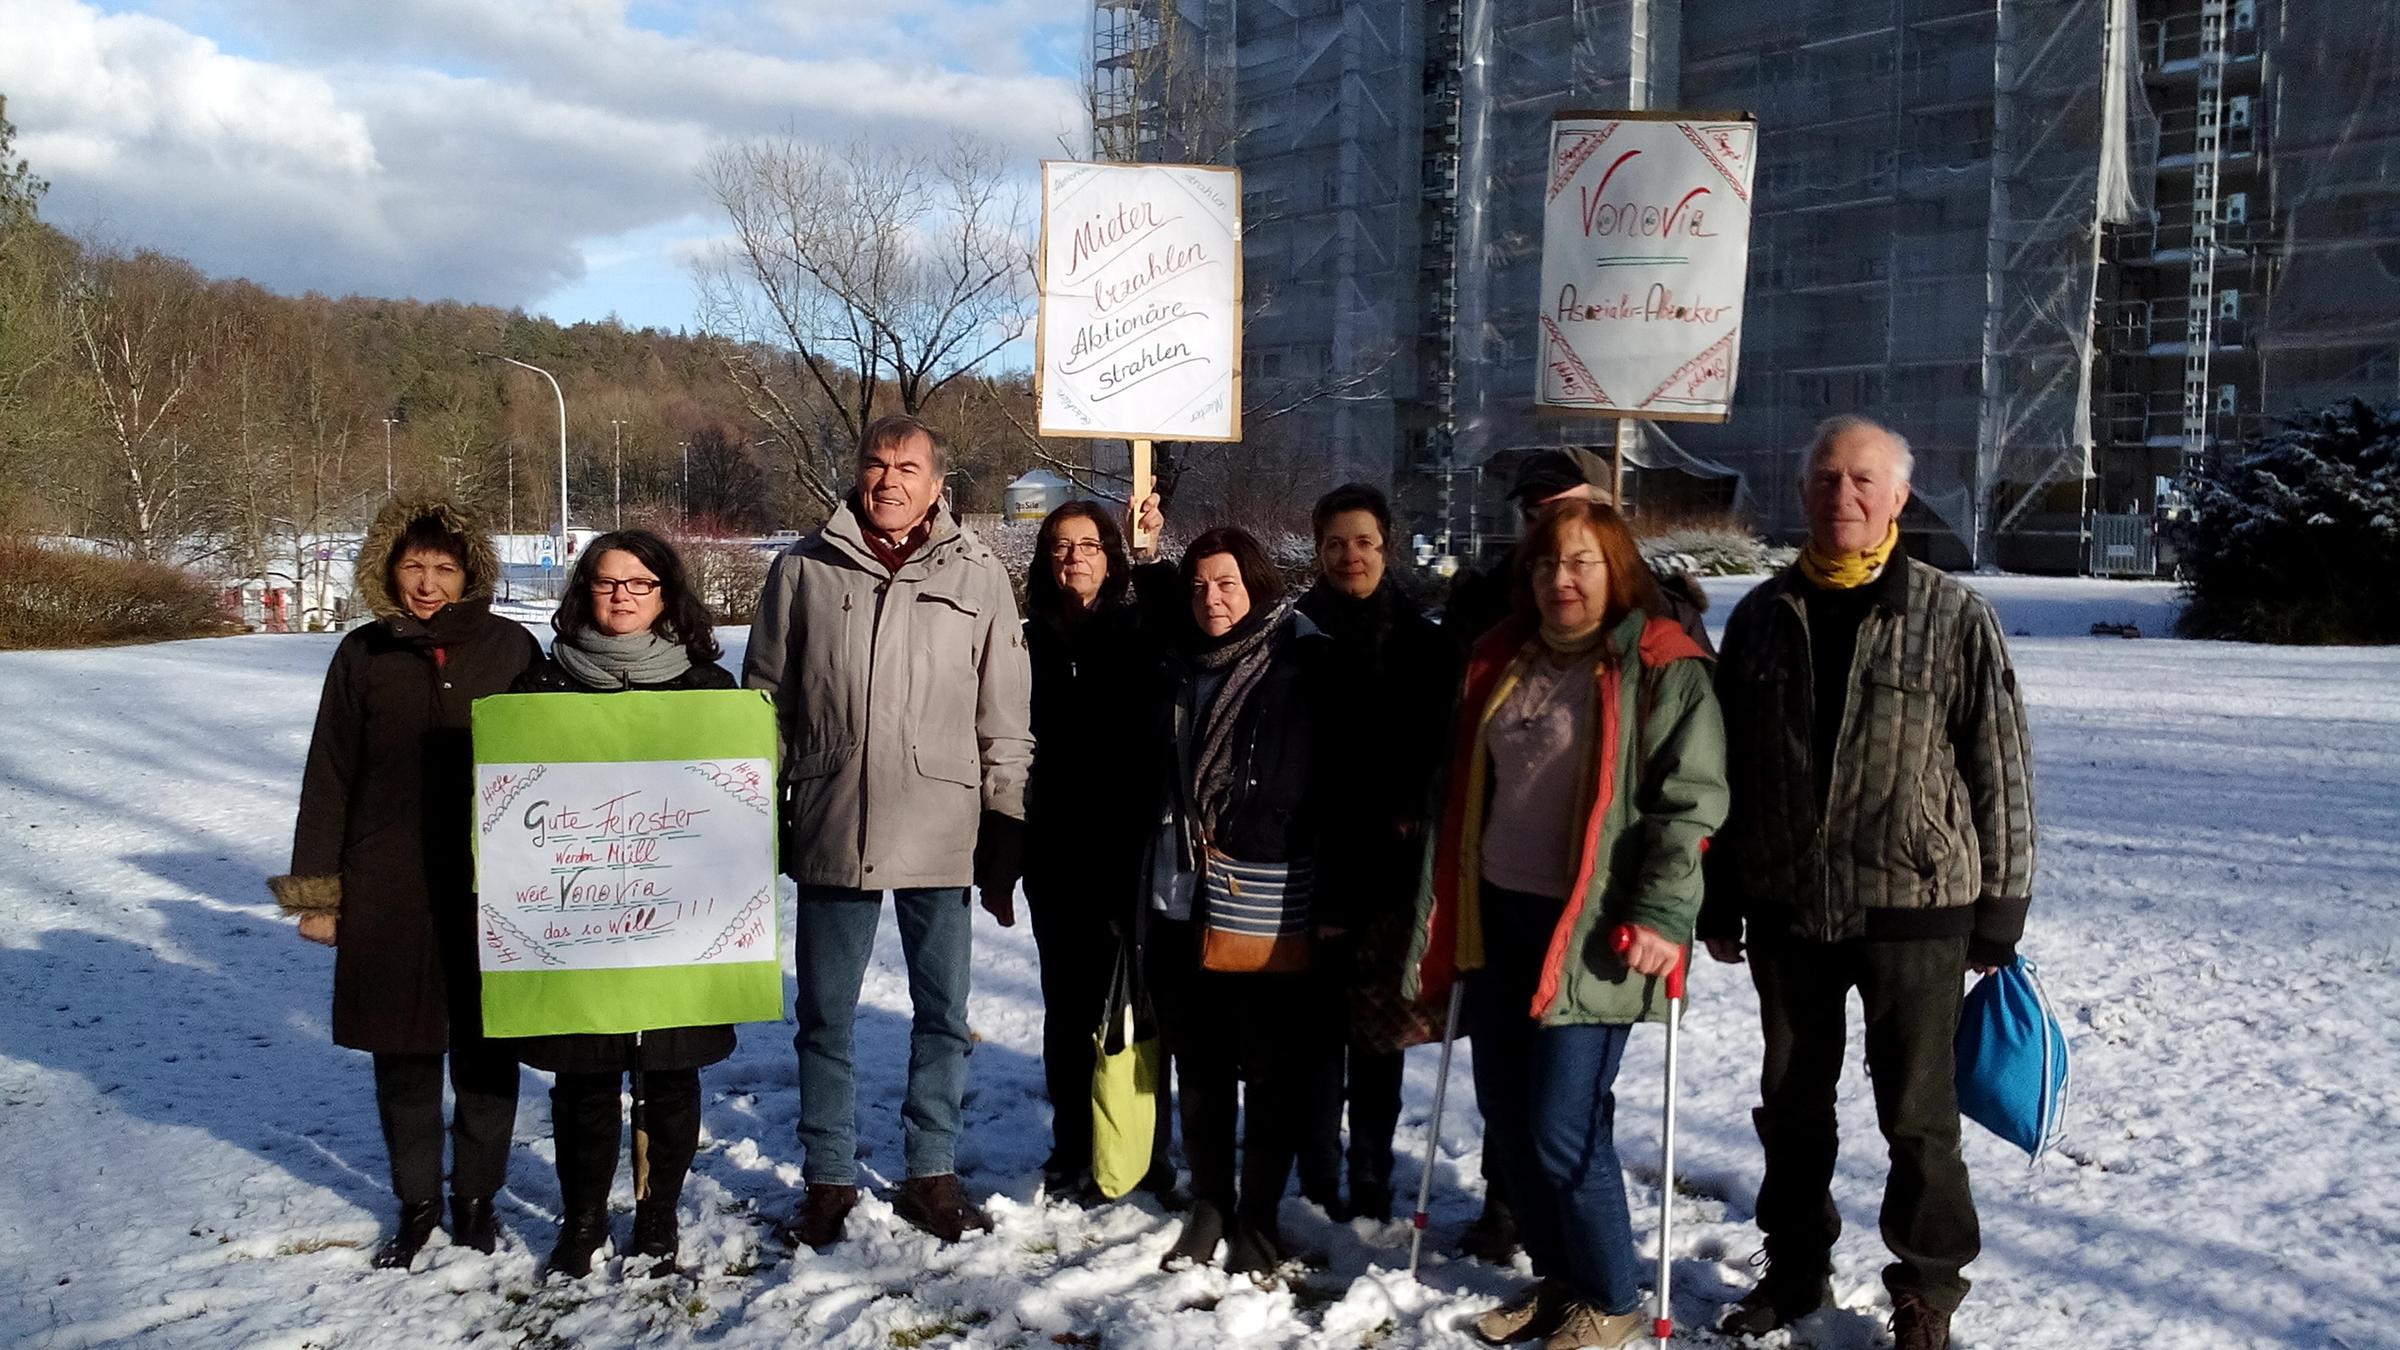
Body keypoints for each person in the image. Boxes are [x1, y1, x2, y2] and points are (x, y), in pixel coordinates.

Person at [1700, 415, 2036, 1350]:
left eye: (1861, 480)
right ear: (1803, 493)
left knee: (1919, 1117)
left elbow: (1999, 766)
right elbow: (1726, 770)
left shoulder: (1950, 613)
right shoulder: (1764, 615)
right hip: (1788, 906)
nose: (1840, 495)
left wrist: (2000, 909)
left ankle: (1927, 1287)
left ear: (1896, 497)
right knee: (1794, 1107)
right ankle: (1796, 1265)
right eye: (1824, 478)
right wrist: (1719, 894)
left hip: (1917, 908)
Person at [1405, 497, 1727, 1350]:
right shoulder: (1505, 657)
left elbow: (1686, 800)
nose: (1561, 579)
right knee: (1509, 1117)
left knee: (1561, 1121)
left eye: (1581, 562)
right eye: (1547, 564)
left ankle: (1613, 1296)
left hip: (1595, 928)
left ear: (1616, 570)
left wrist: (1661, 910)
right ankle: (1561, 1282)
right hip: (1498, 912)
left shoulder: (1661, 666)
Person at [743, 415, 1034, 1248]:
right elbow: (768, 700)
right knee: (826, 1016)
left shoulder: (977, 572)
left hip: (944, 824)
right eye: (876, 463)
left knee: (943, 1012)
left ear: (938, 485)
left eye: (909, 467)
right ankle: (829, 1178)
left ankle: (930, 1171)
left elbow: (1004, 712)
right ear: (856, 473)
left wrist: (1006, 814)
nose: (890, 479)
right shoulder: (803, 566)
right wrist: (760, 806)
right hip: (835, 816)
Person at [271, 496, 541, 1269]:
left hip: (494, 887)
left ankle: (477, 1199)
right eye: (413, 566)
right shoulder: (363, 654)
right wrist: (321, 896)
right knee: (404, 1052)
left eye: (444, 568)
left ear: (470, 573)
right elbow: (329, 778)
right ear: (388, 569)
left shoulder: (511, 648)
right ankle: (417, 1203)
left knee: (489, 1051)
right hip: (387, 884)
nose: (427, 584)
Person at [501, 529, 739, 1279]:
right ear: (582, 593)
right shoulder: (541, 688)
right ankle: (583, 1217)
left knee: (669, 1073)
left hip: (678, 918)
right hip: (576, 914)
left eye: (640, 584)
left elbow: (738, 807)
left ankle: (659, 1211)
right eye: (607, 583)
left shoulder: (708, 691)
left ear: (666, 596)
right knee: (586, 1077)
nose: (622, 597)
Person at [1142, 526, 1336, 1275]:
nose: (1211, 598)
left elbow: (1325, 780)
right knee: (1201, 1064)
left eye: (1225, 583)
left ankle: (1258, 1212)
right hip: (1176, 891)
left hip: (1265, 891)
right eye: (1197, 586)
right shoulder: (1175, 663)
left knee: (1273, 1066)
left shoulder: (1299, 658)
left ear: (1254, 583)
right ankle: (1211, 1201)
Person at [1292, 483, 1461, 1222]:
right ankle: (1320, 1176)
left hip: (1394, 871)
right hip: (1315, 864)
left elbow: (1438, 756)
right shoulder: (1295, 638)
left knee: (1379, 1044)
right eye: (1335, 542)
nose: (1349, 555)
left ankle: (1371, 1176)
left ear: (1386, 548)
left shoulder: (1423, 643)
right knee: (1316, 1041)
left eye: (1363, 541)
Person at [1022, 496, 1179, 1202]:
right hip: (1057, 848)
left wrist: (1151, 554)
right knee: (1070, 1007)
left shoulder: (1141, 625)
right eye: (1060, 545)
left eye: (1088, 544)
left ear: (1109, 557)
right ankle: (1072, 1146)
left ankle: (1150, 1146)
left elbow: (1184, 622)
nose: (1074, 556)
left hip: (1134, 846)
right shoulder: (1029, 640)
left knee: (1143, 1007)